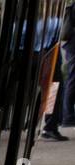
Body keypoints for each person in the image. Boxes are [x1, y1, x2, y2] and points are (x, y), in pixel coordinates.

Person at [41, 1, 73, 140]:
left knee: (55, 88)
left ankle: (51, 124)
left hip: (51, 50)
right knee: (54, 88)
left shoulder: (52, 14)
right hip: (48, 51)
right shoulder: (49, 16)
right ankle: (50, 125)